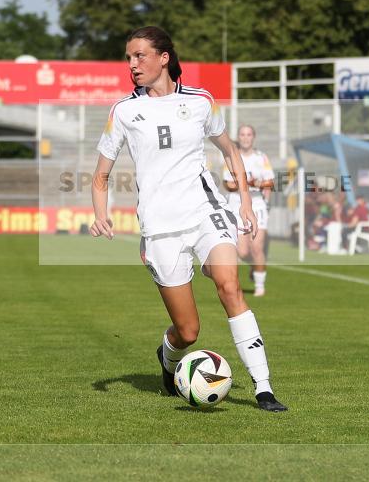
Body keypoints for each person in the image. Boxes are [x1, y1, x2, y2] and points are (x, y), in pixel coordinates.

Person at [91, 26, 287, 412]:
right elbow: (100, 175)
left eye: (140, 56)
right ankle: (168, 357)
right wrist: (101, 214)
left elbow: (230, 152)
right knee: (188, 331)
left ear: (164, 57)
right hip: (160, 227)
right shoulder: (125, 111)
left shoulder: (200, 101)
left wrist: (244, 202)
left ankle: (264, 388)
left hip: (206, 210)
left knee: (230, 285)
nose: (133, 64)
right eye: (129, 57)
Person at [222, 125, 273, 297]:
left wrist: (256, 184)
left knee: (257, 247)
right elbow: (228, 184)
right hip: (236, 206)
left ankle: (260, 286)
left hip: (257, 206)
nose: (245, 137)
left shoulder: (261, 157)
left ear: (253, 137)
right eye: (242, 134)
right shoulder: (232, 156)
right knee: (242, 251)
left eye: (249, 134)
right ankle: (255, 266)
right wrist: (247, 183)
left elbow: (270, 182)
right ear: (239, 137)